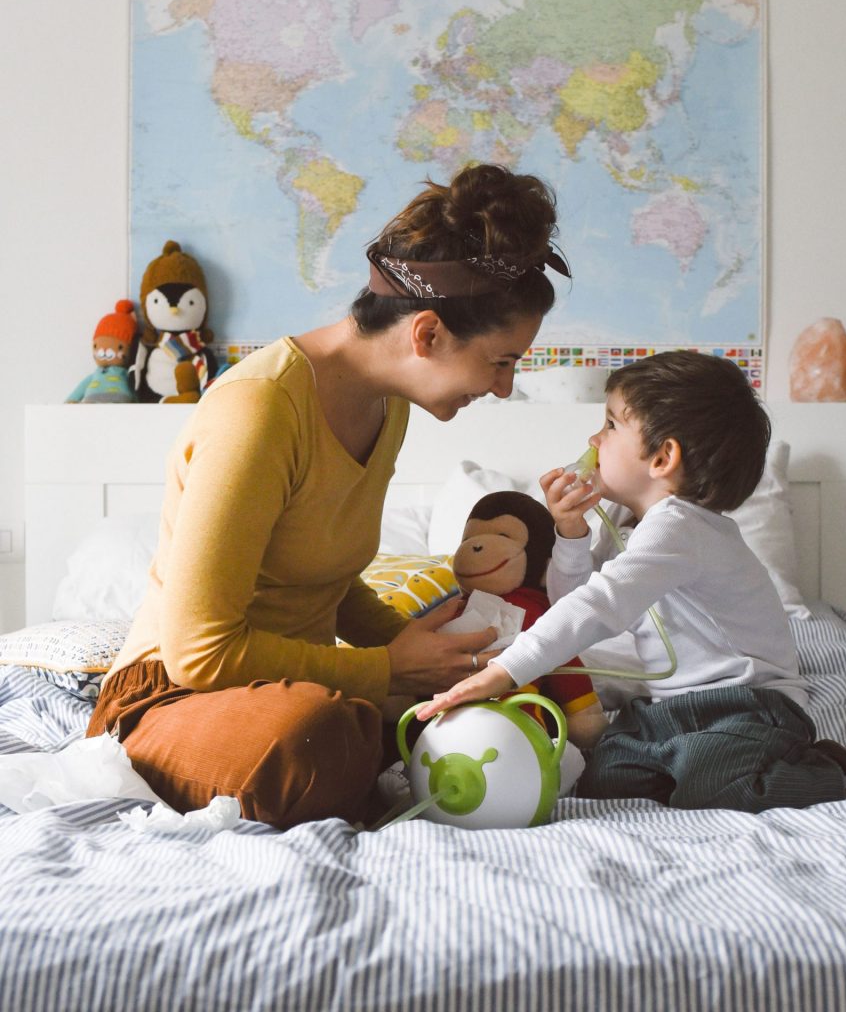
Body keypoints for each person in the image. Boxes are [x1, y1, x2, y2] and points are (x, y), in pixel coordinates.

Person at [86, 163, 569, 829]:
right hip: (175, 698)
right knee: (325, 736)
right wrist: (382, 668)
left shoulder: (387, 404)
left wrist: (427, 658)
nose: (504, 388)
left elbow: (324, 580)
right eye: (502, 361)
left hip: (299, 691)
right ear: (426, 334)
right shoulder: (259, 411)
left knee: (428, 722)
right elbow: (199, 651)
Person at [418, 351, 846, 813]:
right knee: (604, 776)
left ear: (662, 457)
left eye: (611, 425)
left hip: (750, 706)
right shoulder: (632, 528)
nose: (594, 439)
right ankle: (683, 764)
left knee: (710, 782)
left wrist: (504, 670)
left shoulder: (680, 526)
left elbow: (599, 605)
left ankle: (827, 770)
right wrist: (571, 532)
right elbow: (569, 602)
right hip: (671, 711)